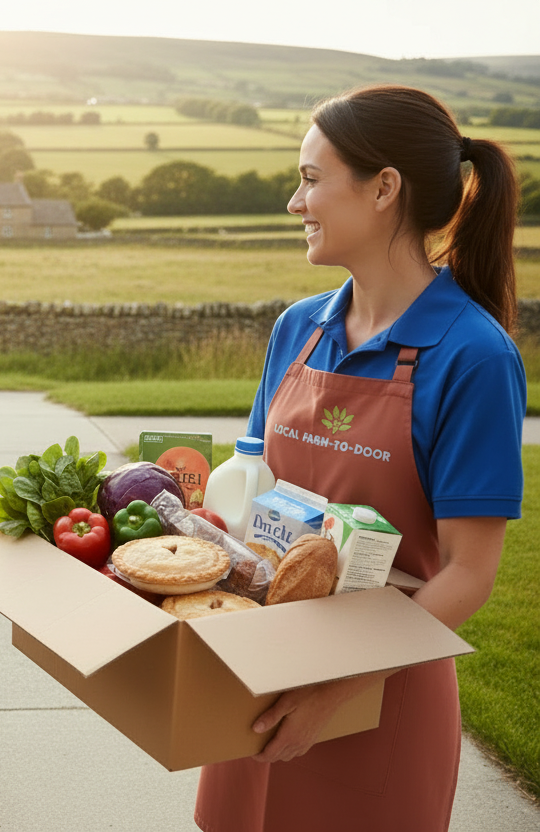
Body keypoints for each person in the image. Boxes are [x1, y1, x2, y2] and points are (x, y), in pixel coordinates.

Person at [195, 84, 524, 831]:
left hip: (380, 693)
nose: (293, 202)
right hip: (261, 675)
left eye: (311, 179)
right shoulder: (299, 328)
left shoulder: (472, 356)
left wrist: (329, 691)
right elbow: (250, 501)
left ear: (384, 190)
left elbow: (469, 573)